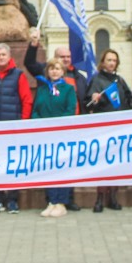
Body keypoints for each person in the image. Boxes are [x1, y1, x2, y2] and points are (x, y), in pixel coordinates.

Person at [0, 43, 34, 213]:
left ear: (9, 57)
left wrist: (23, 122)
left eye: (3, 54)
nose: (1, 57)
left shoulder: (18, 76)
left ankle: (12, 200)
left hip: (13, 128)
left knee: (13, 163)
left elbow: (27, 100)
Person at [87, 48, 132, 212]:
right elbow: (88, 102)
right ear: (103, 62)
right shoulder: (96, 79)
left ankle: (113, 196)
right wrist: (94, 99)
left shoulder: (119, 81)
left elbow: (128, 100)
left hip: (119, 126)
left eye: (114, 60)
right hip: (103, 127)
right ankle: (99, 198)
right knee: (102, 163)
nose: (112, 63)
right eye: (109, 60)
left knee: (116, 163)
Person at [31, 59, 78, 217]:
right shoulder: (43, 89)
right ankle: (52, 201)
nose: (54, 71)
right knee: (49, 168)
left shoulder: (68, 89)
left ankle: (61, 202)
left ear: (63, 71)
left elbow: (70, 109)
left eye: (57, 69)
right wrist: (39, 123)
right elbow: (36, 109)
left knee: (62, 167)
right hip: (45, 135)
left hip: (62, 134)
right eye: (51, 68)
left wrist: (57, 124)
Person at [25, 27, 89, 105]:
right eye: (62, 57)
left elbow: (86, 99)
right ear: (55, 57)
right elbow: (29, 63)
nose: (66, 59)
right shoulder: (44, 70)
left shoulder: (80, 78)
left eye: (68, 56)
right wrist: (34, 45)